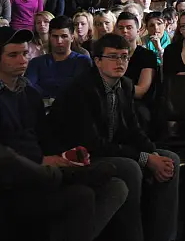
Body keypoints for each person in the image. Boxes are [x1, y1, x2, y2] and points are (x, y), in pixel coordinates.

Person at [0, 27, 129, 241]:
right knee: (80, 194)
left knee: (116, 187)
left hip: (38, 169)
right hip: (14, 178)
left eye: (24, 53)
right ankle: (65, 176)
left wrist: (65, 155)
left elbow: (44, 135)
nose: (22, 60)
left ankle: (67, 174)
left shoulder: (29, 93)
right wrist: (43, 160)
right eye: (13, 55)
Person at [49, 33, 181, 241]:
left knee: (169, 159)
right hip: (82, 155)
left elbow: (134, 130)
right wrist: (146, 159)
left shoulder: (126, 85)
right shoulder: (81, 89)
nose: (120, 62)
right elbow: (92, 143)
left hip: (111, 148)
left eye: (124, 56)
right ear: (98, 61)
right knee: (131, 168)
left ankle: (164, 236)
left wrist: (153, 154)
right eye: (113, 57)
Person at [25, 15, 92, 99]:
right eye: (55, 36)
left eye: (64, 36)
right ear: (49, 37)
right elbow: (30, 89)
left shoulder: (83, 61)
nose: (59, 41)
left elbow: (81, 91)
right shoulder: (35, 63)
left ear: (72, 37)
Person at [116, 12, 159, 131]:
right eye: (120, 28)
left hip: (138, 104)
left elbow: (140, 91)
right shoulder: (111, 55)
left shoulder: (147, 55)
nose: (124, 31)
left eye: (129, 28)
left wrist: (114, 88)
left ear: (138, 31)